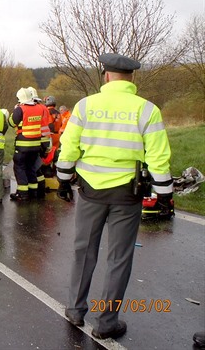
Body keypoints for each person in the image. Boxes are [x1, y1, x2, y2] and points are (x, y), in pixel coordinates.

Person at [56, 53, 173, 340]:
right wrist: (164, 194)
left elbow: (68, 146)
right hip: (127, 194)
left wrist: (62, 179)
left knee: (84, 251)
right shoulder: (147, 110)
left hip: (90, 191)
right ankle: (107, 322)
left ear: (105, 75)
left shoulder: (85, 106)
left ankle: (75, 309)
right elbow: (158, 157)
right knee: (119, 257)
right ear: (132, 77)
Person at [8, 88, 51, 201]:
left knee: (19, 167)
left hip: (23, 144)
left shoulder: (20, 109)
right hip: (36, 144)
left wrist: (15, 110)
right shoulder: (39, 108)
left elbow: (11, 123)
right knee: (32, 168)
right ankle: (33, 192)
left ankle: (23, 193)